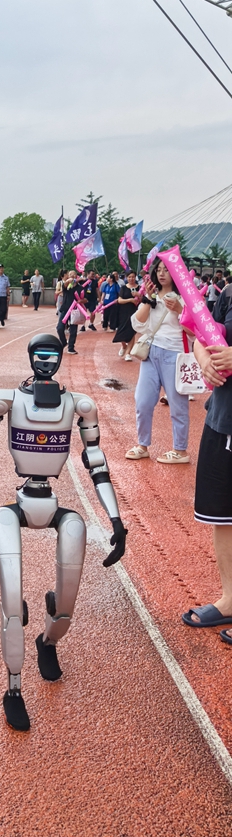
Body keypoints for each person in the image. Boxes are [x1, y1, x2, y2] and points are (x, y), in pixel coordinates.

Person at [0, 333, 127, 730]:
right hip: (14, 507)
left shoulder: (79, 405)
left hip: (55, 505)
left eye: (52, 356)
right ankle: (13, 689)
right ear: (31, 358)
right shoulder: (5, 401)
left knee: (65, 604)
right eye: (40, 356)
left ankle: (47, 641)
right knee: (12, 600)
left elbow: (97, 462)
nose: (46, 362)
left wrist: (116, 519)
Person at [183, 295, 232, 636]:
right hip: (223, 417)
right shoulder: (229, 293)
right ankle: (231, 598)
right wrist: (204, 362)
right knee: (223, 515)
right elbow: (204, 335)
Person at [125, 261, 190, 464]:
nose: (161, 274)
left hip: (175, 355)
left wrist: (181, 310)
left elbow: (194, 331)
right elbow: (137, 323)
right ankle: (142, 445)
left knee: (178, 405)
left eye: (166, 270)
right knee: (142, 401)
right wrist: (147, 299)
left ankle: (180, 450)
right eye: (159, 270)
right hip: (151, 354)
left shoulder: (184, 299)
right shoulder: (151, 296)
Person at [113, 271, 140, 360]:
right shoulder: (124, 288)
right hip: (123, 312)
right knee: (121, 332)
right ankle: (124, 346)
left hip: (135, 312)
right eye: (129, 277)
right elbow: (119, 300)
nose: (131, 279)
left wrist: (138, 296)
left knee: (132, 332)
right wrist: (130, 300)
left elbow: (143, 299)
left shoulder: (139, 288)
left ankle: (128, 353)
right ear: (126, 278)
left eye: (133, 277)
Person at [56, 271, 81, 355]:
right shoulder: (66, 286)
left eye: (73, 274)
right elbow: (64, 285)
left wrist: (81, 301)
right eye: (70, 275)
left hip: (75, 310)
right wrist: (68, 281)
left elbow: (85, 298)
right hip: (65, 309)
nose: (71, 276)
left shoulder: (80, 287)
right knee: (60, 328)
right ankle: (63, 342)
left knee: (73, 329)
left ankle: (71, 347)